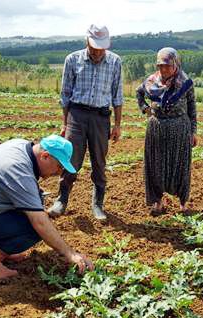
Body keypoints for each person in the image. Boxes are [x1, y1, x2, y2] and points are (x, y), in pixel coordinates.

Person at [0, 135, 94, 280]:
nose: (59, 172)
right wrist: (70, 253)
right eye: (59, 166)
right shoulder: (18, 170)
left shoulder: (21, 146)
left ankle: (2, 249)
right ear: (45, 156)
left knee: (35, 202)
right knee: (34, 228)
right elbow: (40, 223)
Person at [47, 24, 123, 221]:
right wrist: (65, 123)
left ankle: (98, 205)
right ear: (87, 41)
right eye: (94, 47)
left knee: (99, 161)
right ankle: (61, 200)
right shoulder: (72, 60)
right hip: (77, 115)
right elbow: (65, 94)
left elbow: (118, 96)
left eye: (101, 47)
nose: (98, 51)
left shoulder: (115, 62)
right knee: (71, 159)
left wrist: (117, 125)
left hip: (101, 117)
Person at [136, 47, 198, 215]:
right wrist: (145, 109)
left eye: (167, 65)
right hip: (156, 130)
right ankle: (158, 202)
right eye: (160, 65)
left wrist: (193, 131)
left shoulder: (185, 83)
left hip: (180, 129)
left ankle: (183, 203)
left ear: (175, 64)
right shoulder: (151, 81)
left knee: (181, 167)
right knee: (155, 167)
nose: (163, 69)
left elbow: (192, 108)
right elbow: (139, 93)